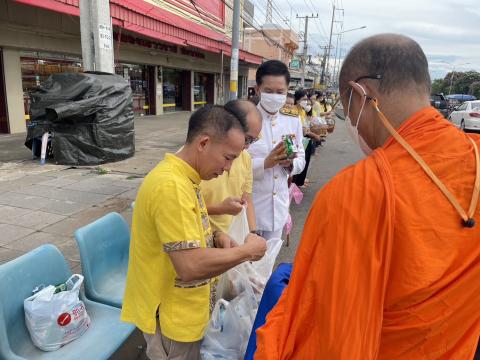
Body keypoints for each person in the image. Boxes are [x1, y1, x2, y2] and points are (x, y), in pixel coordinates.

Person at [255, 33, 480, 359]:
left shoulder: (357, 190)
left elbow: (328, 331)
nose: (353, 124)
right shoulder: (474, 154)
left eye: (348, 110)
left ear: (362, 95)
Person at [121, 105, 267, 360]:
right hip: (172, 320)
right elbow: (189, 266)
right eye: (228, 157)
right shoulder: (172, 186)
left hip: (185, 311)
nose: (229, 168)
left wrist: (217, 236)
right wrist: (245, 251)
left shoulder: (187, 178)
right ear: (204, 143)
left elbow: (188, 226)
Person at [248, 60, 306, 240]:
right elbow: (231, 165)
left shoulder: (292, 119)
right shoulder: (245, 118)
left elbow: (301, 157)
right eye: (268, 91)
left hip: (278, 207)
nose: (275, 96)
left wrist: (291, 165)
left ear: (287, 90)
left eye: (280, 92)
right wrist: (264, 163)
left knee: (270, 259)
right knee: (248, 265)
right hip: (251, 209)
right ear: (258, 90)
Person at [200, 100, 262, 234]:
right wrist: (220, 209)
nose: (248, 146)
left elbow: (246, 197)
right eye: (247, 139)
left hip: (230, 237)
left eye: (253, 140)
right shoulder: (198, 160)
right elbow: (184, 210)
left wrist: (253, 233)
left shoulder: (245, 157)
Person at [291, 89, 321, 187]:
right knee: (296, 160)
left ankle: (301, 180)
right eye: (304, 99)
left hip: (305, 139)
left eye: (306, 99)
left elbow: (306, 125)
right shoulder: (294, 110)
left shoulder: (303, 111)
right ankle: (296, 182)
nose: (306, 101)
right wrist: (313, 134)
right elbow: (299, 128)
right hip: (298, 139)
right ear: (298, 99)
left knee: (305, 160)